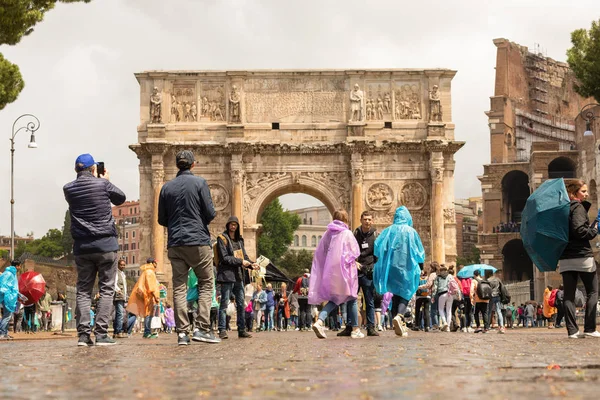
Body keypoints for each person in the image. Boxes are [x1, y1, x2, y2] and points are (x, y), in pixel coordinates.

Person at [63, 153, 126, 346]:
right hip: (106, 245)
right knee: (106, 289)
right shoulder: (102, 184)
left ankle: (83, 335)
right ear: (93, 169)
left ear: (76, 170)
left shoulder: (68, 189)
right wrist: (105, 180)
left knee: (83, 290)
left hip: (82, 246)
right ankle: (101, 334)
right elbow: (121, 198)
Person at [158, 150, 219, 346]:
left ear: (178, 165)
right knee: (206, 283)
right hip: (198, 241)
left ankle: (182, 333)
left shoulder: (166, 187)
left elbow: (161, 219)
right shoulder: (200, 183)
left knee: (179, 287)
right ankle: (201, 328)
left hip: (176, 242)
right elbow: (210, 213)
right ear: (193, 165)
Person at [309, 210, 363, 339]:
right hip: (345, 270)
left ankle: (320, 321)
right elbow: (354, 252)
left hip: (331, 271)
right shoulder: (347, 233)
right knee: (352, 298)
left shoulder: (328, 233)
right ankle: (355, 329)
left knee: (334, 299)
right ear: (346, 220)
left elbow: (321, 252)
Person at [373, 206, 425, 338]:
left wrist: (381, 262)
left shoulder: (388, 231)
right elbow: (419, 251)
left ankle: (398, 323)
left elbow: (378, 247)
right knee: (406, 293)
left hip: (391, 267)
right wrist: (421, 266)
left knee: (395, 293)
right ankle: (400, 316)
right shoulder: (411, 232)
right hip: (407, 267)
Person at [559, 179, 600, 338]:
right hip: (582, 255)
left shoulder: (562, 210)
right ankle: (589, 329)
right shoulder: (578, 208)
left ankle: (573, 331)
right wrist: (594, 230)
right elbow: (580, 231)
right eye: (583, 191)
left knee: (568, 296)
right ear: (573, 193)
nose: (587, 194)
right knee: (593, 292)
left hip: (565, 256)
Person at [216, 216, 259, 339]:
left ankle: (242, 329)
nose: (233, 226)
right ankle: (222, 330)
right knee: (224, 303)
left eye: (235, 224)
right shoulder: (222, 239)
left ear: (237, 226)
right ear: (228, 225)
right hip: (227, 275)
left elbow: (244, 257)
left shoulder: (240, 241)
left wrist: (252, 264)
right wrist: (241, 261)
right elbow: (224, 258)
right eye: (231, 224)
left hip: (238, 276)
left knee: (241, 304)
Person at [342, 210, 379, 337]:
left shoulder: (375, 234)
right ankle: (349, 326)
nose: (367, 222)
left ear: (372, 221)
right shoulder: (355, 234)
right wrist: (354, 263)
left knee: (369, 300)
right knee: (351, 299)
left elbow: (378, 254)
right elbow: (348, 250)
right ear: (361, 220)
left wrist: (374, 267)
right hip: (355, 270)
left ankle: (371, 327)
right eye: (365, 219)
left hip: (368, 271)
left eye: (369, 219)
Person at [126, 258, 160, 339]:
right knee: (148, 315)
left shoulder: (146, 271)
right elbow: (150, 286)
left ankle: (147, 332)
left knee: (148, 314)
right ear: (153, 263)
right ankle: (147, 332)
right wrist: (155, 296)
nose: (157, 265)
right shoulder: (149, 272)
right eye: (156, 263)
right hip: (149, 296)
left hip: (148, 295)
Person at [0, 261, 26, 340]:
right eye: (19, 266)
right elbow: (3, 286)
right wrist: (8, 294)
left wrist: (19, 295)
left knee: (8, 316)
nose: (20, 268)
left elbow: (13, 287)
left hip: (11, 297)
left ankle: (5, 333)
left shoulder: (11, 274)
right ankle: (2, 333)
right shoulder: (8, 274)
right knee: (7, 316)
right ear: (17, 266)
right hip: (8, 298)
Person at [113, 259, 128, 338]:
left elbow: (125, 287)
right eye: (121, 265)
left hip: (122, 296)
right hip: (118, 296)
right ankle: (119, 331)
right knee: (120, 314)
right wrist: (118, 290)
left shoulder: (123, 274)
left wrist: (125, 296)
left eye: (124, 265)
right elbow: (114, 283)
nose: (123, 266)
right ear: (118, 265)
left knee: (118, 314)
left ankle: (116, 332)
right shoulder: (116, 273)